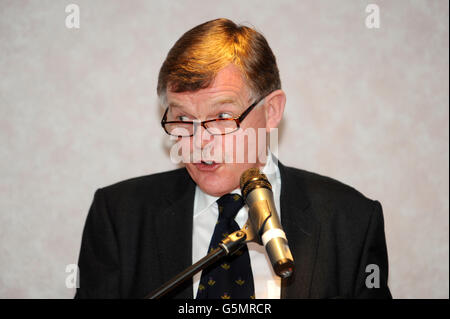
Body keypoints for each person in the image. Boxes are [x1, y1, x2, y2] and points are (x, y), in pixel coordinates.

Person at [75, 18, 392, 299]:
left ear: (271, 111)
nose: (199, 143)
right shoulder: (118, 216)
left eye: (222, 116)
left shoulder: (351, 220)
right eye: (183, 119)